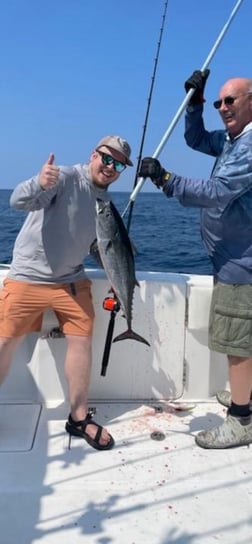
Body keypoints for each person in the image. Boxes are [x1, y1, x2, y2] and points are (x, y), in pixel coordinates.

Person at [138, 71, 252, 449]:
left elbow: (218, 191)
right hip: (229, 260)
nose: (223, 108)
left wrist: (167, 179)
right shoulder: (232, 141)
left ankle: (241, 419)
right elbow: (195, 138)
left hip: (242, 264)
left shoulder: (250, 146)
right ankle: (246, 396)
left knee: (238, 343)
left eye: (230, 100)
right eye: (219, 102)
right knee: (242, 339)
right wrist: (195, 102)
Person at [0, 135, 133, 451]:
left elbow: (94, 247)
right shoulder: (64, 177)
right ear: (93, 155)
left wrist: (117, 273)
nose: (110, 167)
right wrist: (38, 182)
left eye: (119, 164)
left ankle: (78, 418)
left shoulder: (107, 205)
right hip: (28, 277)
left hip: (71, 281)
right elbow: (17, 201)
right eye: (107, 158)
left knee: (82, 341)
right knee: (4, 342)